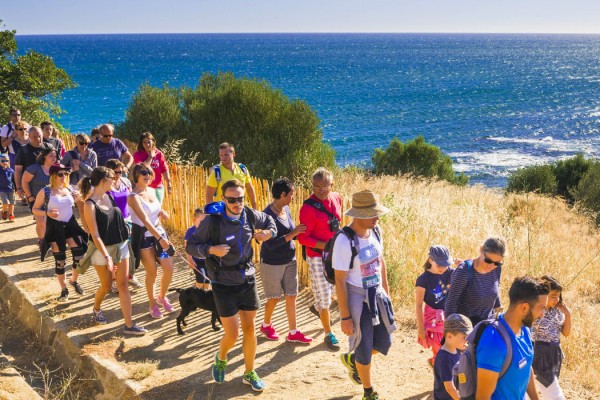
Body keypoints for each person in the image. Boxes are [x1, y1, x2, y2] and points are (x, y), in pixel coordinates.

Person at [186, 179, 276, 392]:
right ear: (224, 199)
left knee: (250, 328)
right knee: (233, 333)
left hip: (247, 280)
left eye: (241, 199)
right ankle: (221, 357)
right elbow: (191, 246)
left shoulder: (251, 215)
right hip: (223, 284)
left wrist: (267, 234)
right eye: (232, 199)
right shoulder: (212, 222)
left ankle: (249, 372)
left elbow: (271, 222)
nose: (237, 203)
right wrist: (210, 250)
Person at [334, 190, 395, 400]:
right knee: (364, 345)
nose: (377, 217)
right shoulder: (344, 241)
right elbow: (340, 280)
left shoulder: (376, 231)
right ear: (359, 215)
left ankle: (354, 362)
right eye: (373, 213)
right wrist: (345, 317)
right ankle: (368, 392)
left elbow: (381, 263)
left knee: (383, 342)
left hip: (377, 296)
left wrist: (386, 293)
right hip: (358, 301)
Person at [79, 167, 147, 335]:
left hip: (121, 245)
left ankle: (129, 325)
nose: (115, 180)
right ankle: (96, 308)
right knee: (107, 286)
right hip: (102, 251)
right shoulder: (90, 204)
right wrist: (107, 256)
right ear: (103, 180)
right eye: (112, 177)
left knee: (123, 285)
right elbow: (94, 235)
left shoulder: (110, 196)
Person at [476, 276, 548, 400]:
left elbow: (526, 368)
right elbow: (482, 397)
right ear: (524, 308)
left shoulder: (525, 329)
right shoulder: (494, 342)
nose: (543, 315)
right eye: (541, 308)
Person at [259, 178, 312, 344]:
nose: (293, 197)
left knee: (291, 295)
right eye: (291, 194)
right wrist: (293, 234)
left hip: (289, 259)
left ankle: (293, 332)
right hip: (272, 262)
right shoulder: (266, 215)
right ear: (283, 194)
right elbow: (271, 244)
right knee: (274, 297)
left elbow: (290, 232)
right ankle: (266, 325)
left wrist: (299, 234)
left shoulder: (286, 209)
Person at [297, 167, 343, 350]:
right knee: (324, 297)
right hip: (317, 256)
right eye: (317, 186)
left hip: (335, 254)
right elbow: (302, 238)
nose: (321, 190)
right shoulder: (308, 208)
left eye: (325, 186)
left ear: (332, 185)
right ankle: (328, 333)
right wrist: (326, 246)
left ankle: (317, 307)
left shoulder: (337, 198)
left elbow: (338, 223)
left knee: (332, 292)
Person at [31, 164, 86, 301]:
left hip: (71, 225)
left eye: (66, 174)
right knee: (60, 261)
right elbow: (35, 209)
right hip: (55, 228)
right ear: (53, 176)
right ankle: (64, 289)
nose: (64, 177)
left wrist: (80, 197)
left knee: (79, 256)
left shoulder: (70, 189)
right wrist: (47, 213)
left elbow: (81, 201)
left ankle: (73, 280)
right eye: (61, 174)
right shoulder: (46, 191)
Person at [127, 163, 175, 319]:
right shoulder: (132, 196)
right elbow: (145, 220)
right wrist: (160, 239)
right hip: (144, 236)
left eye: (148, 172)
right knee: (152, 272)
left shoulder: (153, 190)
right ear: (136, 176)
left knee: (169, 268)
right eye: (143, 173)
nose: (147, 175)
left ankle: (161, 296)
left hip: (158, 230)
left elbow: (154, 210)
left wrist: (162, 211)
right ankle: (152, 304)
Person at [444, 237, 506, 326]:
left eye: (497, 263)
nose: (491, 266)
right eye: (488, 260)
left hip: (485, 328)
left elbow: (495, 294)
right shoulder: (464, 270)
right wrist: (451, 331)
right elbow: (450, 304)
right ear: (481, 251)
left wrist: (498, 317)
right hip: (464, 329)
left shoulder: (497, 269)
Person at [415, 245, 458, 366]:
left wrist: (463, 264)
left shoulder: (451, 272)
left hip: (449, 315)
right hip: (432, 319)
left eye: (446, 264)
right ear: (430, 260)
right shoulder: (423, 280)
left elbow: (468, 274)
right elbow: (418, 305)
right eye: (439, 265)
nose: (443, 268)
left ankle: (439, 365)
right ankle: (437, 364)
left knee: (452, 346)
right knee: (438, 346)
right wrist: (421, 328)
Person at [532, 275, 571, 400]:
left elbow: (565, 333)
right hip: (539, 351)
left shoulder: (558, 311)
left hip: (554, 351)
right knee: (551, 389)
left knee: (547, 386)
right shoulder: (536, 310)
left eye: (558, 296)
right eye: (553, 296)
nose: (557, 299)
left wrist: (568, 315)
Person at [105, 159, 142, 290]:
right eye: (115, 172)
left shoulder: (125, 182)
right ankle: (114, 279)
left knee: (130, 249)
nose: (118, 174)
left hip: (127, 220)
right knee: (115, 251)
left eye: (120, 172)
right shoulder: (105, 185)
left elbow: (131, 199)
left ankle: (130, 275)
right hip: (112, 222)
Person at [22, 147, 56, 249]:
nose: (54, 158)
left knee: (52, 223)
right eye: (51, 156)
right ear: (44, 157)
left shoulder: (58, 168)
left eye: (55, 156)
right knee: (41, 223)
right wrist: (29, 196)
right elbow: (24, 181)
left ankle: (51, 240)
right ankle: (42, 241)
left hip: (53, 201)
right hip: (37, 200)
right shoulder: (35, 168)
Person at [205, 142, 257, 209]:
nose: (223, 158)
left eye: (226, 155)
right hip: (223, 213)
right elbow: (209, 195)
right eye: (221, 155)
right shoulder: (216, 172)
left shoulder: (242, 169)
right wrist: (211, 213)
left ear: (233, 154)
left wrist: (254, 208)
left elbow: (249, 189)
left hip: (241, 209)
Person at [433, 314, 472, 400]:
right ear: (449, 336)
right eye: (464, 337)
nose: (467, 341)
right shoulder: (444, 358)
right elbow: (449, 388)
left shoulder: (458, 350)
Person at [133, 132, 172, 204]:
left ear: (153, 142)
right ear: (141, 144)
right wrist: (150, 156)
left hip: (158, 187)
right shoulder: (137, 155)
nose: (147, 144)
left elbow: (164, 169)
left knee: (157, 210)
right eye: (144, 142)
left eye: (149, 142)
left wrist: (169, 183)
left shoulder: (159, 153)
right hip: (144, 187)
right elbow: (142, 168)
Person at [14, 126, 51, 204]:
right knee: (37, 211)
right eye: (34, 137)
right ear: (29, 136)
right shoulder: (24, 150)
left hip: (49, 185)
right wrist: (19, 188)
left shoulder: (48, 147)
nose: (37, 139)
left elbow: (56, 165)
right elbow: (18, 170)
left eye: (39, 136)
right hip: (32, 188)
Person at [184, 208, 210, 290]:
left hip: (207, 259)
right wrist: (190, 260)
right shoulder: (190, 231)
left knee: (208, 279)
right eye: (202, 221)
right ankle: (196, 293)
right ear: (194, 220)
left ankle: (205, 294)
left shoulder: (208, 230)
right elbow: (187, 246)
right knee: (201, 278)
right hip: (196, 260)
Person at [0, 154, 15, 222]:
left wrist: (17, 189)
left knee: (11, 202)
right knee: (5, 202)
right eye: (2, 161)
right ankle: (4, 211)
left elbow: (13, 180)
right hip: (2, 189)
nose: (5, 162)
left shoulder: (11, 170)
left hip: (11, 189)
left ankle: (11, 214)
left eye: (6, 160)